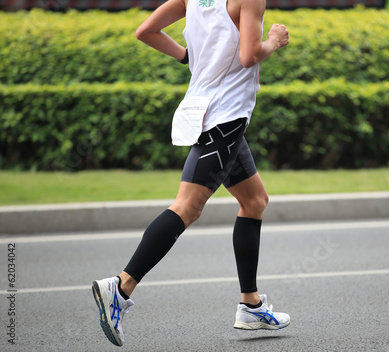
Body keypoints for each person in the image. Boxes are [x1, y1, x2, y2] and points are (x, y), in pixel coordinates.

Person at [91, 0, 290, 347]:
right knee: (187, 207)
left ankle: (251, 304)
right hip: (225, 118)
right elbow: (249, 55)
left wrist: (190, 57)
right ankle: (120, 287)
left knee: (255, 200)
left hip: (203, 109)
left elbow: (146, 32)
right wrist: (274, 39)